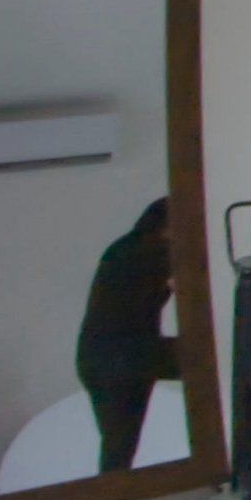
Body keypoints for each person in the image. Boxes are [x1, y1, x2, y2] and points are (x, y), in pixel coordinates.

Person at [76, 197, 179, 472]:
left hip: (97, 358)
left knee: (117, 449)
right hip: (125, 356)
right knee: (208, 360)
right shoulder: (152, 252)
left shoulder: (125, 248)